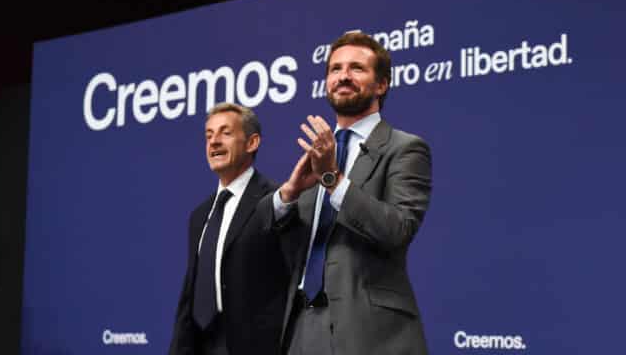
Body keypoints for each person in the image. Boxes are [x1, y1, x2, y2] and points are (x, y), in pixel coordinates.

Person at [268, 32, 432, 355]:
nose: (343, 76)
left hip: (369, 332)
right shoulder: (318, 154)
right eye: (335, 69)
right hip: (301, 328)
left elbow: (398, 229)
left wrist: (334, 179)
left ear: (381, 84)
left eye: (357, 68)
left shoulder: (405, 148)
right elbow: (286, 251)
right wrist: (287, 196)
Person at [170, 103, 288, 355]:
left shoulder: (275, 200)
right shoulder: (199, 216)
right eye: (209, 135)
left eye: (225, 133)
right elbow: (190, 292)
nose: (214, 142)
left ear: (252, 142)